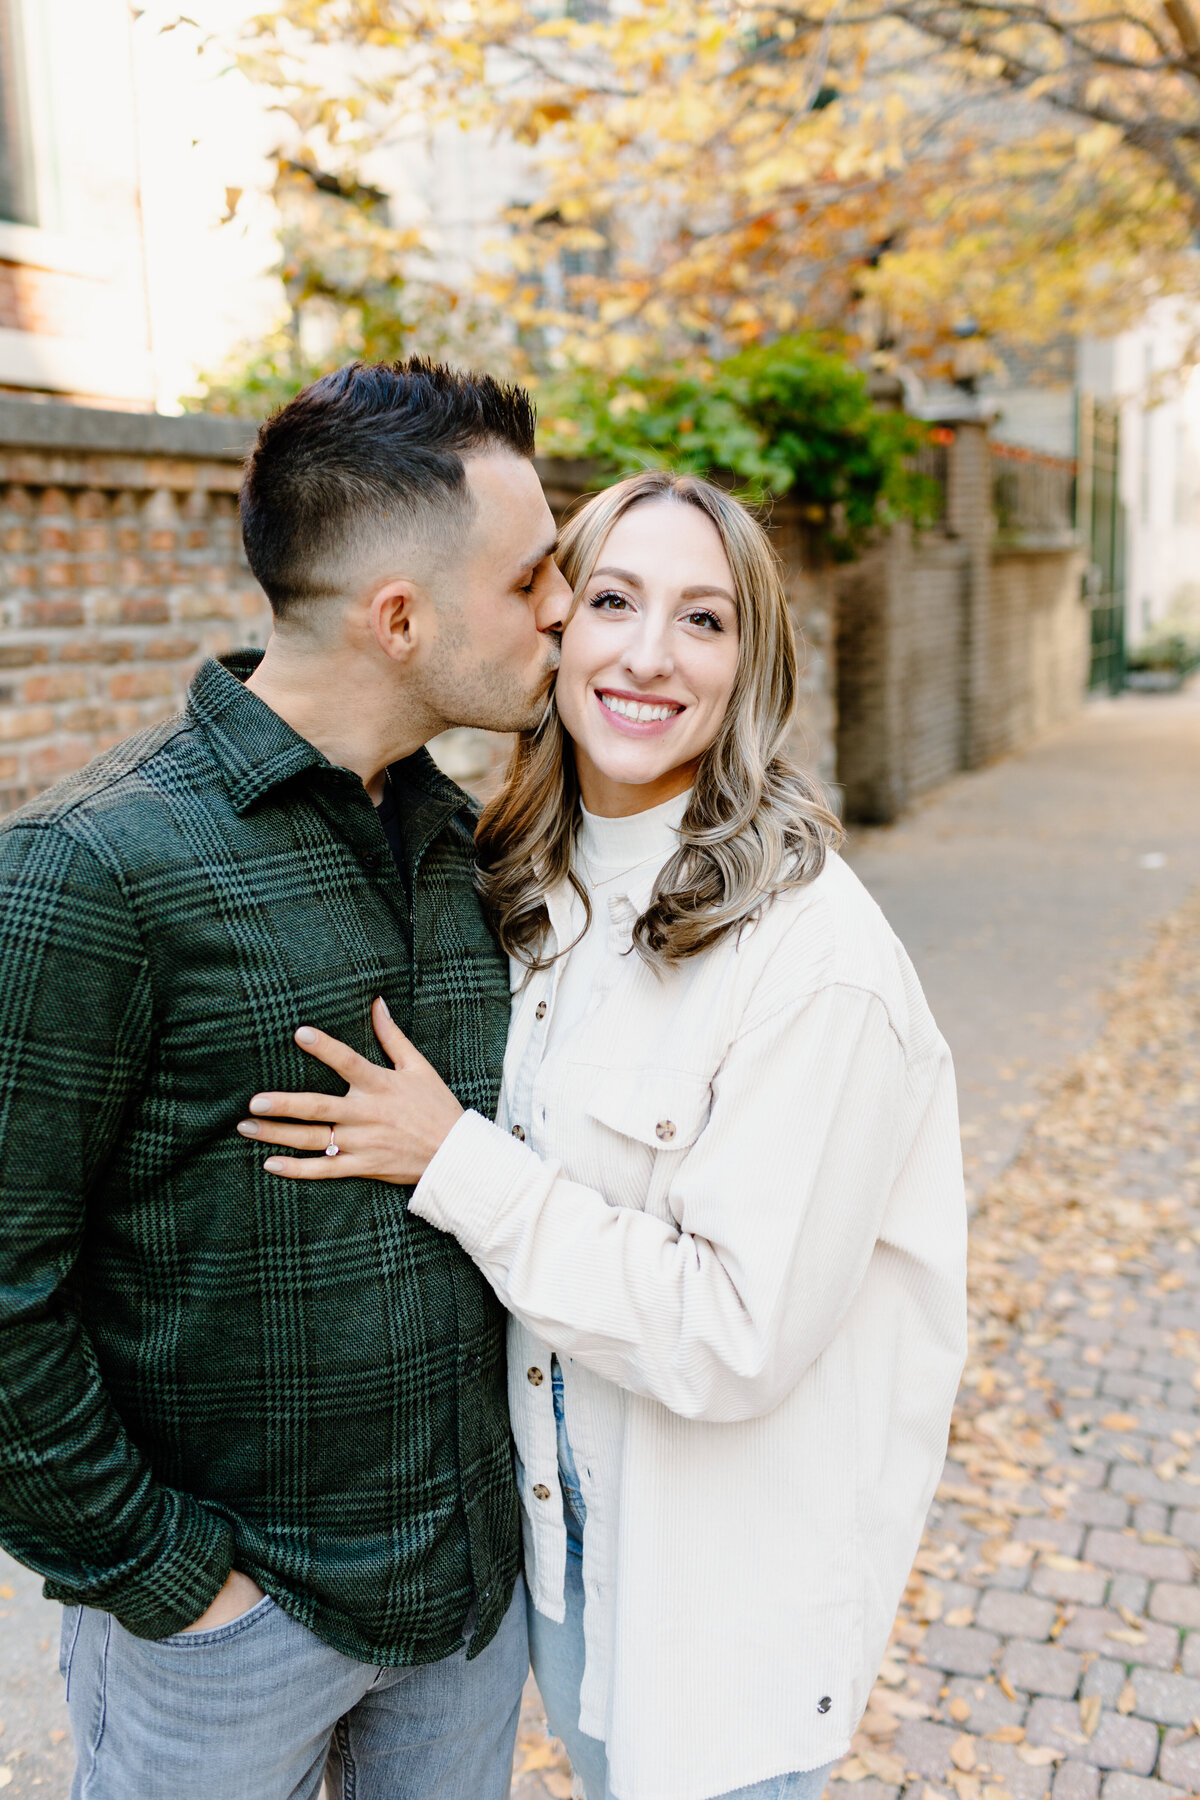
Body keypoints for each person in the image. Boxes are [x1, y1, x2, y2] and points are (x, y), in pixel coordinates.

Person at [239, 469, 970, 1800]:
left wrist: (456, 1161)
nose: (647, 654)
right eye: (615, 600)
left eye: (704, 620)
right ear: (555, 625)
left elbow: (731, 1331)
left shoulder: (814, 959)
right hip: (563, 1575)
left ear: (751, 663)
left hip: (721, 1612)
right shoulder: (519, 887)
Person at [0, 359, 571, 1800]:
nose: (562, 611)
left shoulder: (469, 841)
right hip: (226, 1634)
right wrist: (168, 1579)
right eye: (530, 581)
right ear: (400, 618)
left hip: (460, 1608)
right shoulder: (94, 868)